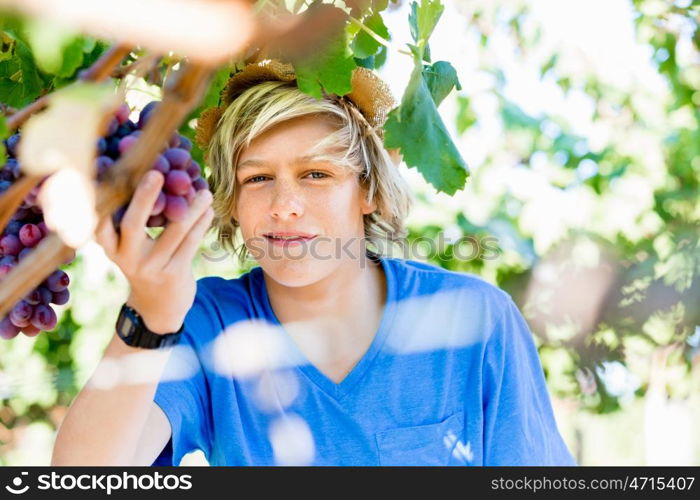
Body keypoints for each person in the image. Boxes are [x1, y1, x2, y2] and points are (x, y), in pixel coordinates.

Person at [51, 59, 576, 466]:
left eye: (316, 174)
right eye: (257, 179)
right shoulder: (205, 320)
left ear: (367, 190)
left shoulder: (477, 318)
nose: (284, 205)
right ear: (231, 199)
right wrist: (150, 319)